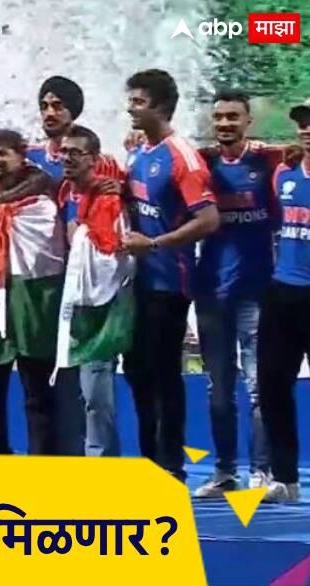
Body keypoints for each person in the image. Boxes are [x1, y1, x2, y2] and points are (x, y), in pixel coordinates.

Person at [121, 69, 220, 481]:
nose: (130, 108)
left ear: (160, 106)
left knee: (163, 376)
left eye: (139, 102)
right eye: (130, 100)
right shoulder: (138, 150)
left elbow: (209, 219)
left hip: (169, 283)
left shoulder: (183, 158)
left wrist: (155, 244)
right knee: (136, 372)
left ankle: (172, 468)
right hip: (136, 282)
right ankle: (150, 462)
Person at [25, 75, 124, 455]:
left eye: (58, 106)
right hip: (44, 285)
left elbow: (123, 200)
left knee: (89, 380)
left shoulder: (102, 163)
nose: (49, 113)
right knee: (45, 378)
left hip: (89, 286)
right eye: (44, 106)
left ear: (74, 111)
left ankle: (94, 460)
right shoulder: (30, 157)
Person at [191, 91, 282, 497]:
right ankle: (225, 472)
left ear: (248, 122)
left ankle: (261, 472)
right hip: (211, 292)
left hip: (257, 293)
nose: (225, 123)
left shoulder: (268, 163)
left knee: (259, 386)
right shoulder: (201, 164)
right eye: (219, 117)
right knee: (219, 388)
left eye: (233, 116)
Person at [0, 130, 60, 455]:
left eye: (3, 153)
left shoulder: (41, 204)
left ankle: (41, 464)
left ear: (21, 157)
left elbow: (44, 179)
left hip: (33, 299)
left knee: (36, 390)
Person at [54, 125, 134, 458]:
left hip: (103, 305)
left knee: (96, 387)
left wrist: (81, 235)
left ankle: (101, 462)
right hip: (80, 302)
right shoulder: (70, 192)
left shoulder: (107, 200)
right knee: (87, 391)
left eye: (76, 153)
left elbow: (111, 259)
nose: (67, 158)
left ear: (94, 159)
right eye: (64, 152)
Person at [257, 98, 310, 504]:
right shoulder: (284, 173)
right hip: (282, 292)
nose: (307, 129)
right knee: (273, 386)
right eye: (303, 122)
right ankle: (285, 479)